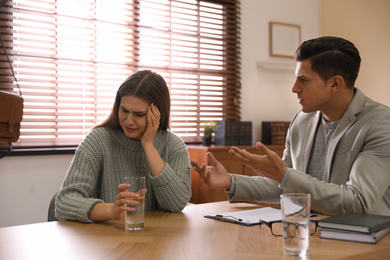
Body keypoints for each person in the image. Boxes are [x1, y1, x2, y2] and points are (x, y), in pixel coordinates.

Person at [191, 36, 390, 216]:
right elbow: (285, 184)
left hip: (367, 243)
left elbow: (359, 202)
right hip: (309, 233)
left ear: (335, 84)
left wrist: (283, 176)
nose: (294, 88)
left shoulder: (380, 123)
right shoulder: (301, 121)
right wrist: (231, 181)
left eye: (303, 80)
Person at [56, 70, 192, 223]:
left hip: (156, 241)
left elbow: (177, 204)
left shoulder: (174, 146)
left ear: (158, 113)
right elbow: (64, 202)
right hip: (105, 241)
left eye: (139, 114)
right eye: (124, 110)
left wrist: (148, 145)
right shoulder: (98, 140)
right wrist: (111, 210)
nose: (128, 121)